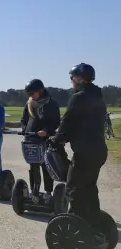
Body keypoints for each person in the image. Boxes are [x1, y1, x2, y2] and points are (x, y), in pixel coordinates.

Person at [49, 63, 108, 236]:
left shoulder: (79, 97)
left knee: (73, 189)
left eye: (73, 78)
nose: (71, 81)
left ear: (80, 79)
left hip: (85, 151)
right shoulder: (98, 98)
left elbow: (68, 121)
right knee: (89, 188)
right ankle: (95, 225)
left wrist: (57, 138)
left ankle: (77, 229)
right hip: (98, 151)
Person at [20, 79, 61, 201]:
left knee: (46, 166)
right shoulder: (29, 104)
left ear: (40, 91)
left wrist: (47, 131)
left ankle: (48, 193)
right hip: (31, 139)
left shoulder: (51, 104)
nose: (31, 96)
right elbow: (24, 120)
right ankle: (35, 192)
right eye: (29, 94)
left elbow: (56, 122)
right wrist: (24, 129)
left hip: (45, 139)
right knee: (33, 166)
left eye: (32, 93)